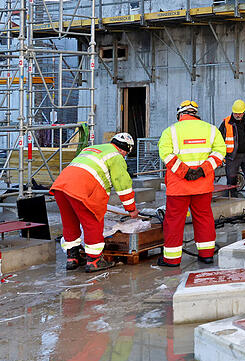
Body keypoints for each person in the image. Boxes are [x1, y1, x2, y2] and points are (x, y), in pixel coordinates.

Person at [50, 133, 138, 272]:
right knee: (92, 222)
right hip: (81, 189)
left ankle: (72, 258)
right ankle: (94, 261)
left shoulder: (92, 149)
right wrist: (131, 208)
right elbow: (123, 184)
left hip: (61, 187)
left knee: (70, 222)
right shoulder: (116, 156)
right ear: (125, 150)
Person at [157, 100, 226, 267]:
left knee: (174, 221)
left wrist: (185, 172)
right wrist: (202, 170)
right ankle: (207, 255)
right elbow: (220, 152)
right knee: (204, 217)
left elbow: (165, 154)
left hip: (178, 187)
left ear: (180, 114)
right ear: (195, 113)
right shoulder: (211, 130)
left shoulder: (170, 131)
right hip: (202, 185)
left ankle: (172, 259)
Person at [219, 99, 245, 203]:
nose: (237, 115)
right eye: (235, 113)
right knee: (231, 179)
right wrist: (221, 156)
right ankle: (233, 202)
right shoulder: (226, 122)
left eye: (239, 113)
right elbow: (219, 140)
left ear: (244, 112)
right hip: (232, 157)